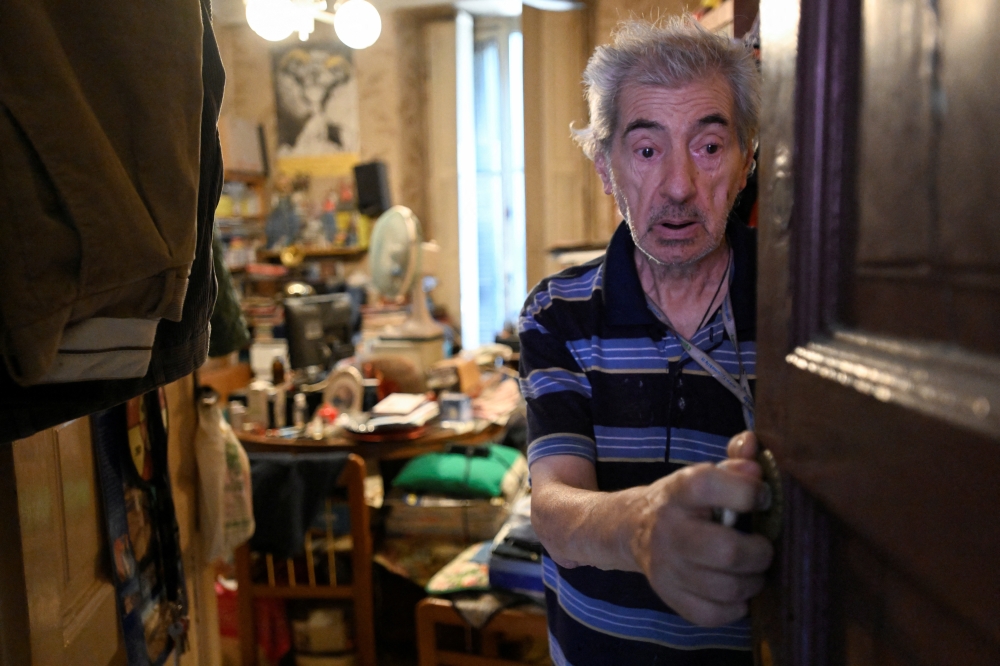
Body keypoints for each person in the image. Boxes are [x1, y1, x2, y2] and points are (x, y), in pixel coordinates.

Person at [519, 17, 774, 665]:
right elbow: (551, 505)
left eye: (710, 147)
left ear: (747, 161)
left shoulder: (796, 310)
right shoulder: (559, 313)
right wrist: (640, 529)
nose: (681, 186)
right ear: (607, 168)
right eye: (647, 150)